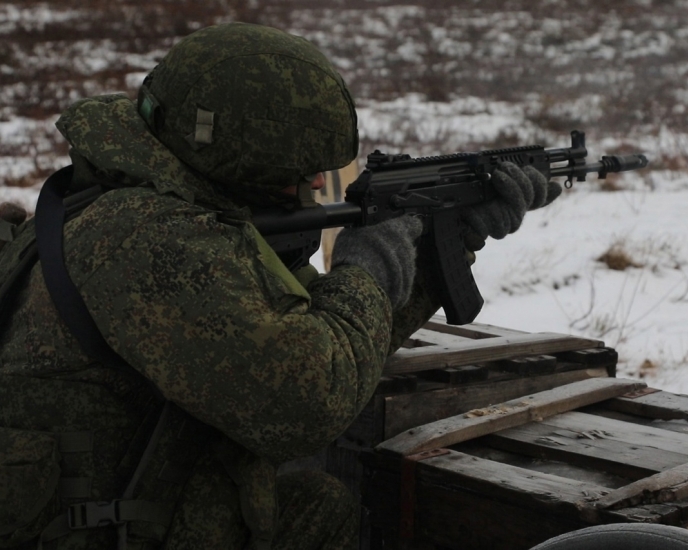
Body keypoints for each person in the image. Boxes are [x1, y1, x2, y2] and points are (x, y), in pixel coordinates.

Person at [0, 22, 560, 550]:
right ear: (238, 147)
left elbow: (330, 338)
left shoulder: (153, 194)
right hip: (89, 530)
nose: (318, 181)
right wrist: (366, 268)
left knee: (318, 506)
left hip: (125, 490)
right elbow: (307, 401)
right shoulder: (147, 239)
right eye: (300, 165)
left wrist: (447, 244)